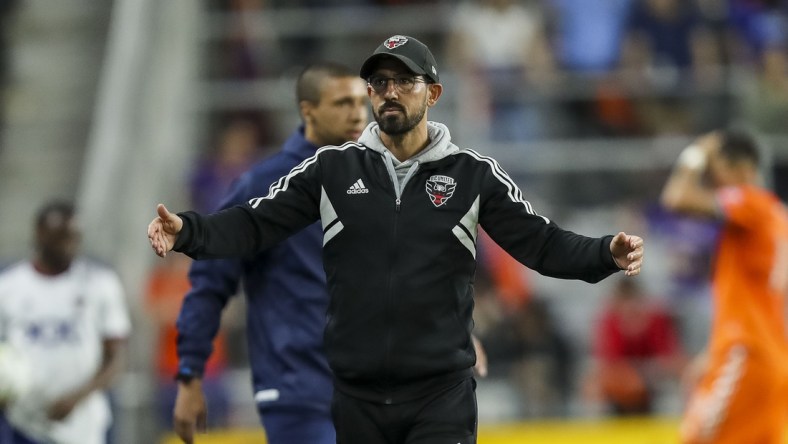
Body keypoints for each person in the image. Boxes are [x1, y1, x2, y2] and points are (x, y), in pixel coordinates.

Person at [148, 35, 644, 444]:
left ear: (432, 93)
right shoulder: (331, 169)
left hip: (439, 395)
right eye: (380, 82)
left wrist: (604, 253)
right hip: (356, 398)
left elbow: (543, 244)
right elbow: (253, 224)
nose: (389, 91)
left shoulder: (472, 175)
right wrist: (189, 230)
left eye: (404, 81)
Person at [172, 61, 368, 444]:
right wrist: (190, 374)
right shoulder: (263, 186)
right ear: (307, 110)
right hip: (297, 389)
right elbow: (210, 283)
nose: (358, 114)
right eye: (343, 102)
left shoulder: (376, 181)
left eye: (363, 101)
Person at [660, 130, 788, 443]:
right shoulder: (776, 215)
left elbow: (676, 199)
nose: (711, 180)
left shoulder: (749, 199)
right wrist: (711, 353)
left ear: (742, 170)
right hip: (769, 358)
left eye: (714, 169)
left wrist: (694, 155)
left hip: (746, 353)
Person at [0, 200, 131, 444]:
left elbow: (117, 359)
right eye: (62, 237)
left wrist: (77, 398)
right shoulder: (8, 287)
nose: (70, 245)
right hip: (22, 424)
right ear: (40, 235)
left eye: (75, 237)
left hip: (82, 428)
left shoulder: (100, 284)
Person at [584, 278, 684, 416]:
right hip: (621, 388)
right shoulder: (610, 323)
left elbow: (669, 358)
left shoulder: (656, 320)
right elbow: (609, 362)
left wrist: (644, 376)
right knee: (596, 387)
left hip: (651, 382)